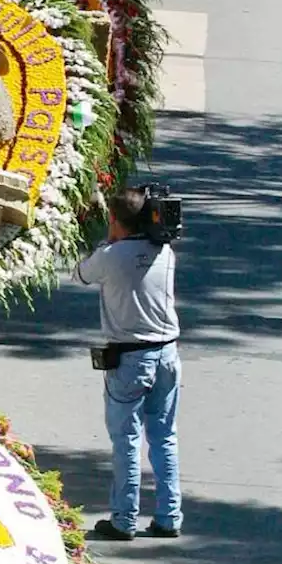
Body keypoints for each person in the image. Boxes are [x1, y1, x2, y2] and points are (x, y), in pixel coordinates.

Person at [73, 187, 182, 540]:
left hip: (130, 359)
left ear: (114, 220)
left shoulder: (111, 256)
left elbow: (80, 274)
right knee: (164, 436)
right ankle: (170, 516)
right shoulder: (164, 251)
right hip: (167, 354)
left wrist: (107, 242)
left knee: (127, 439)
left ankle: (124, 519)